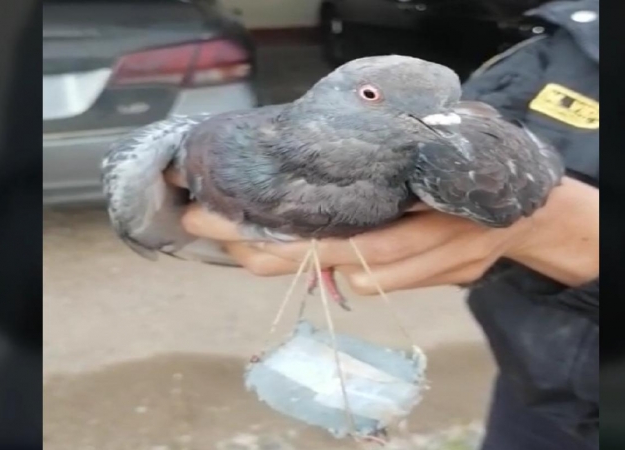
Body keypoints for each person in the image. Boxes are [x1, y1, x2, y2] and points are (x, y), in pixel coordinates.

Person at [173, 0, 599, 448]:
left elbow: (479, 143)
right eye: (372, 97)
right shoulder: (562, 40)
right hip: (535, 390)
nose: (438, 121)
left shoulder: (449, 144)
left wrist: (557, 233)